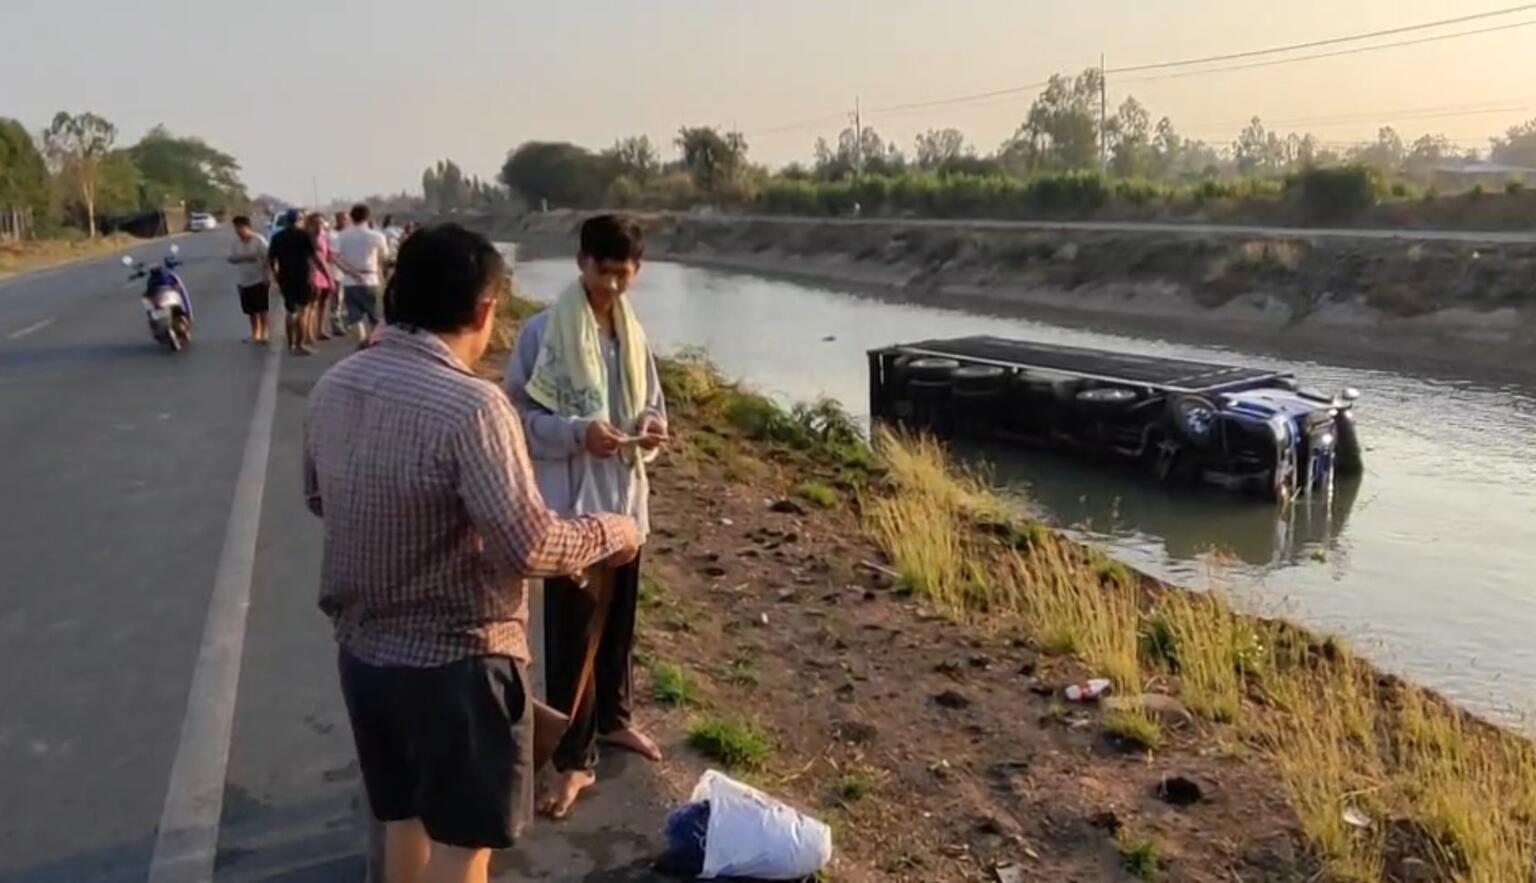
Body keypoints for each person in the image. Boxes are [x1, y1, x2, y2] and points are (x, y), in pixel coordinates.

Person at [305, 223, 641, 883]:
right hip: (457, 668)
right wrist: (614, 530)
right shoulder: (475, 406)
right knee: (462, 847)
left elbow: (319, 497)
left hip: (364, 657)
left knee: (401, 817)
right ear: (486, 310)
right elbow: (531, 544)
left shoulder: (334, 385)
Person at [504, 214, 667, 820]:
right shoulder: (545, 334)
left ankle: (614, 720)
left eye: (624, 274)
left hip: (624, 502)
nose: (613, 286)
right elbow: (518, 419)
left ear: (637, 271)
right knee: (573, 634)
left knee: (618, 623)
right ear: (582, 263)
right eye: (604, 272)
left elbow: (653, 407)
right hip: (571, 512)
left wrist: (650, 429)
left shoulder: (634, 336)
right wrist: (578, 433)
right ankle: (573, 759)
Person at [335, 203, 391, 347]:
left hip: (350, 281)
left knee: (356, 318)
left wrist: (348, 270)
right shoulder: (376, 236)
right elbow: (385, 256)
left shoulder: (342, 235)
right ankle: (376, 346)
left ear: (352, 217)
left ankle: (361, 345)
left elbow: (335, 257)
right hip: (371, 279)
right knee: (375, 317)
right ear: (368, 217)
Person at [268, 210, 323, 355]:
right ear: (299, 220)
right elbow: (314, 256)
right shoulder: (304, 235)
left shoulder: (278, 237)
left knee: (290, 311)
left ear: (287, 221)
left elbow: (271, 259)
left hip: (285, 277)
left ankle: (290, 344)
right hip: (303, 276)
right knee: (302, 312)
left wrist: (275, 274)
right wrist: (324, 273)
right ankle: (299, 344)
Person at [227, 216, 271, 344]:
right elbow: (232, 258)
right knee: (250, 311)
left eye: (240, 228)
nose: (238, 231)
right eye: (236, 228)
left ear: (248, 227)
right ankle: (255, 333)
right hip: (243, 281)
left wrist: (267, 275)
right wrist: (245, 258)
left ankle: (265, 333)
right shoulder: (236, 243)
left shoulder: (259, 240)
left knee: (262, 309)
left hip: (259, 279)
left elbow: (268, 258)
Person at [306, 213, 338, 342]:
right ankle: (308, 332)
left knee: (322, 304)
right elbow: (318, 259)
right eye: (315, 223)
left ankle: (319, 330)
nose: (318, 226)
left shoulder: (325, 236)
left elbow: (329, 256)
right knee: (312, 305)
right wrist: (329, 277)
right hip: (315, 273)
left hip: (325, 273)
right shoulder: (310, 238)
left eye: (320, 223)